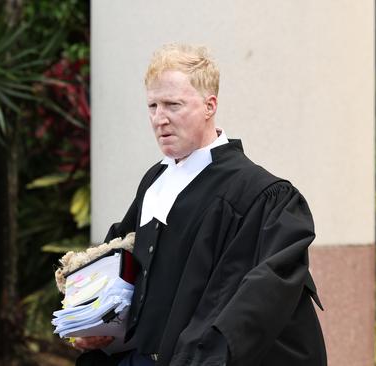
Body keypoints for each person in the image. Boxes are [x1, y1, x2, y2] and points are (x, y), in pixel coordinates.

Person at [73, 44, 327, 365]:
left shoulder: (260, 194)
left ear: (210, 106)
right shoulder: (155, 180)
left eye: (172, 105)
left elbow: (261, 299)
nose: (159, 118)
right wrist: (96, 323)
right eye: (152, 105)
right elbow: (126, 265)